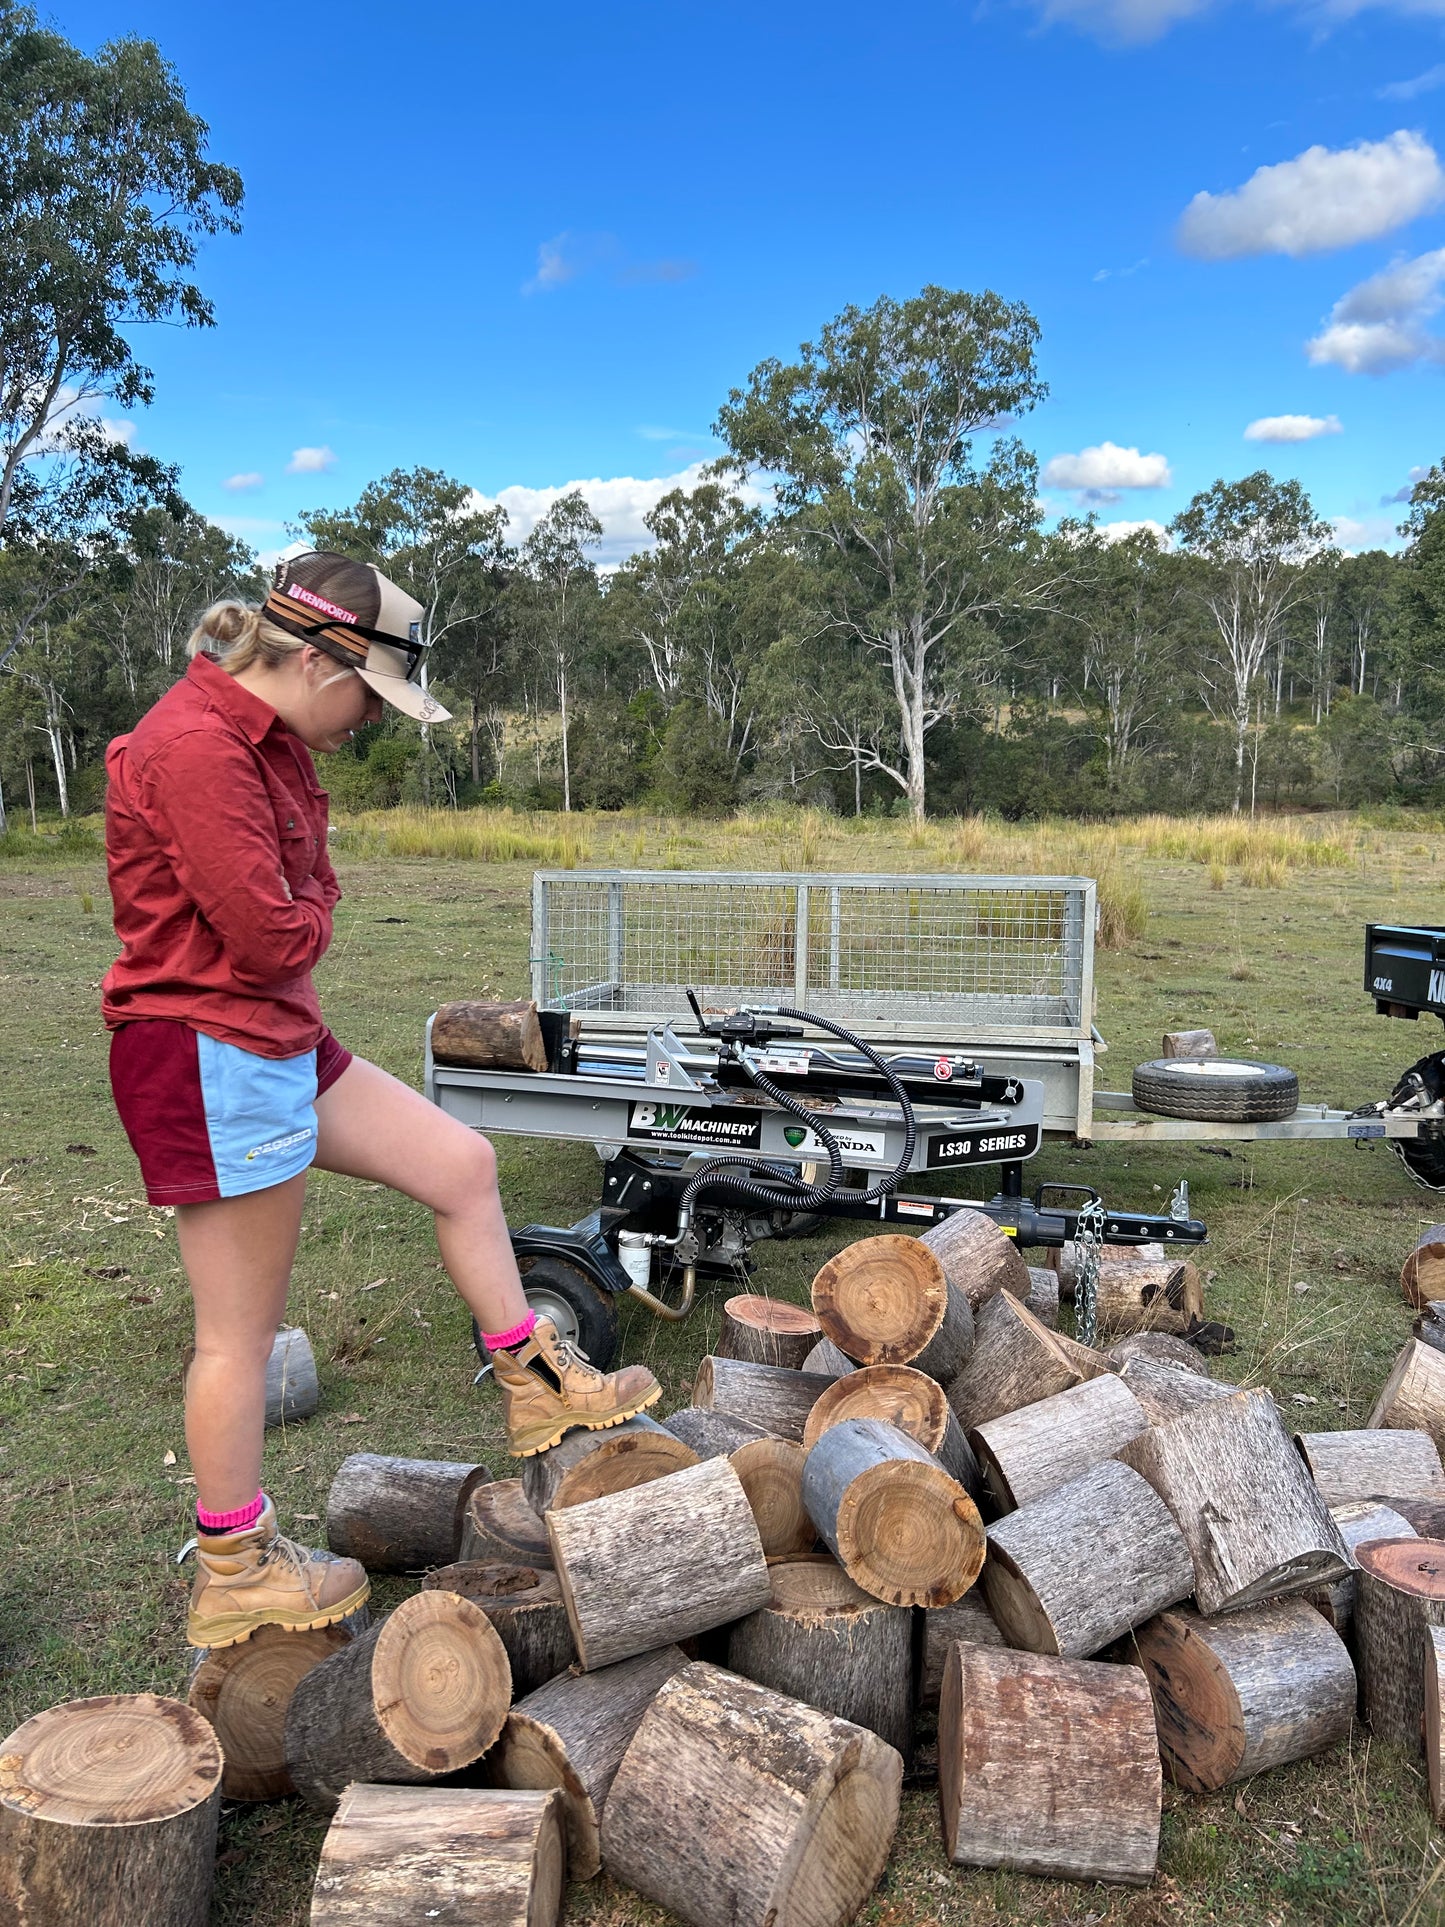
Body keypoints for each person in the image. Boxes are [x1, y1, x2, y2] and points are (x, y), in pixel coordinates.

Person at [102, 552, 660, 1650]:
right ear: (317, 661)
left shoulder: (268, 740)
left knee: (461, 1164)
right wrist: (310, 904)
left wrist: (302, 903)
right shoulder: (196, 747)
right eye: (370, 696)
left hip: (273, 1035)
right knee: (237, 1336)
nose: (370, 720)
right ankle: (234, 1561)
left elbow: (289, 914)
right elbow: (274, 933)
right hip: (207, 1048)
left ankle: (535, 1378)